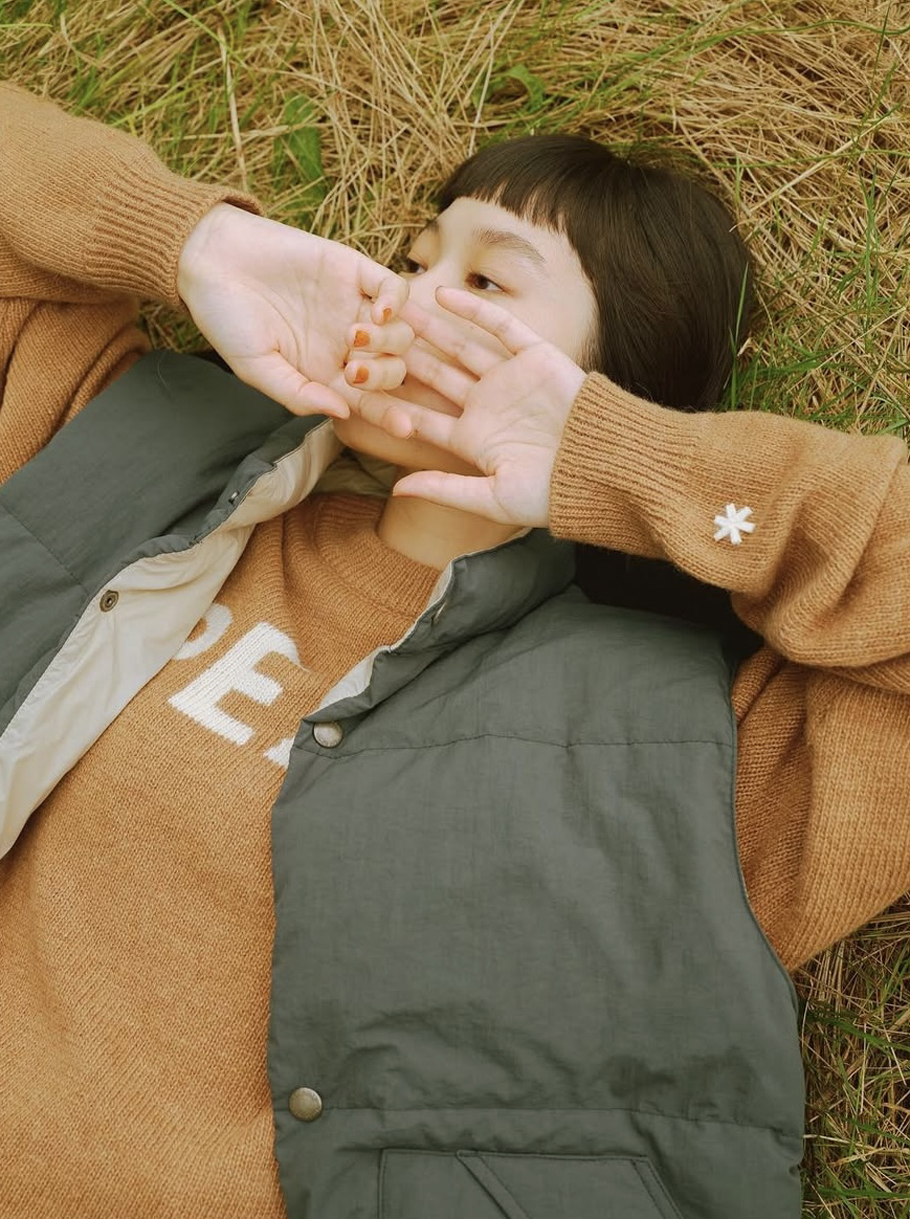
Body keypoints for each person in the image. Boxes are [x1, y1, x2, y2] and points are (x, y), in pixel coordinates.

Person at [0, 79, 907, 1219]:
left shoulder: (689, 745)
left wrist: (619, 459)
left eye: (484, 283)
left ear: (612, 374)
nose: (407, 293)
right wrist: (195, 243)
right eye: (413, 258)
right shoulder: (130, 462)